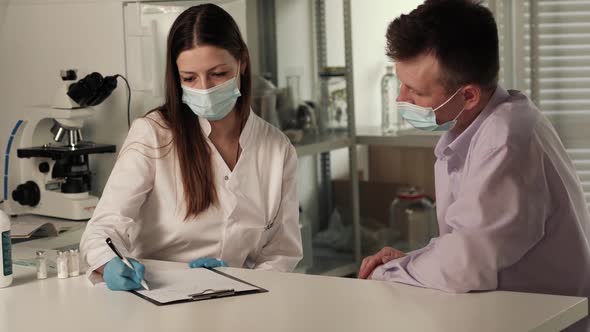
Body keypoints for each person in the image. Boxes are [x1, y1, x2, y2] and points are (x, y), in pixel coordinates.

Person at [359, 1, 590, 330]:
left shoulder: (506, 140)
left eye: (416, 91)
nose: (401, 99)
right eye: (401, 84)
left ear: (468, 96)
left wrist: (386, 274)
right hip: (505, 312)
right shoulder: (479, 127)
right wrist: (412, 262)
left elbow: (465, 264)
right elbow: (470, 239)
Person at [80, 4, 302, 291]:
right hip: (159, 302)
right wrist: (110, 264)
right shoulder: (154, 134)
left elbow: (282, 252)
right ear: (177, 76)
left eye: (218, 74)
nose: (205, 89)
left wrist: (243, 280)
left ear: (242, 63)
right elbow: (104, 228)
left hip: (241, 302)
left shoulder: (277, 149)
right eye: (190, 78)